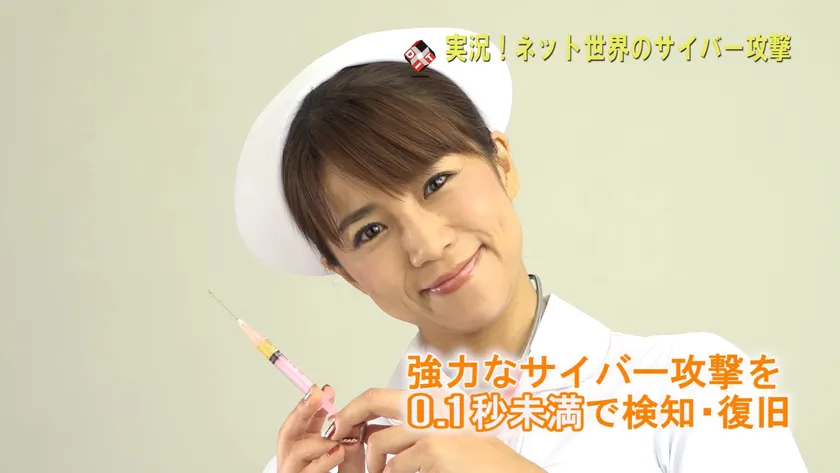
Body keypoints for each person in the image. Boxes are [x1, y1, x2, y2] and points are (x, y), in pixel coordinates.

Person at [234, 28, 808, 473]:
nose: (427, 244)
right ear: (347, 275)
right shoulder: (333, 467)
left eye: (436, 182)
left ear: (502, 163)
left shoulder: (699, 386)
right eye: (370, 232)